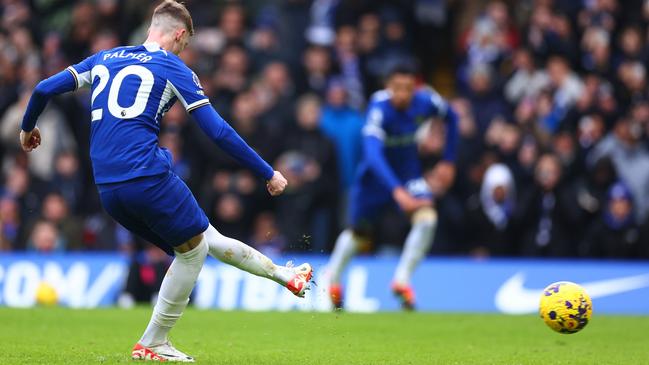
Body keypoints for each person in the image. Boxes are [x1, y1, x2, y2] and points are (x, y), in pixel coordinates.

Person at [19, 1, 313, 362]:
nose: (183, 50)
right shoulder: (173, 66)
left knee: (204, 239)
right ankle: (153, 342)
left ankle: (285, 277)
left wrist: (27, 128)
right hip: (146, 175)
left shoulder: (103, 59)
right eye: (185, 43)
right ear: (179, 34)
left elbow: (43, 89)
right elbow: (217, 131)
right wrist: (268, 171)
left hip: (109, 189)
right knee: (193, 252)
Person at [325, 66, 458, 310]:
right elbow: (373, 154)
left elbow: (452, 117)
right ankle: (333, 278)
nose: (403, 94)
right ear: (388, 87)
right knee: (359, 234)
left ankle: (402, 281)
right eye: (397, 88)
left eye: (408, 88)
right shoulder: (378, 107)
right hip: (375, 178)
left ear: (414, 88)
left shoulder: (427, 101)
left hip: (408, 174)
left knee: (427, 218)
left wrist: (449, 160)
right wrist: (397, 191)